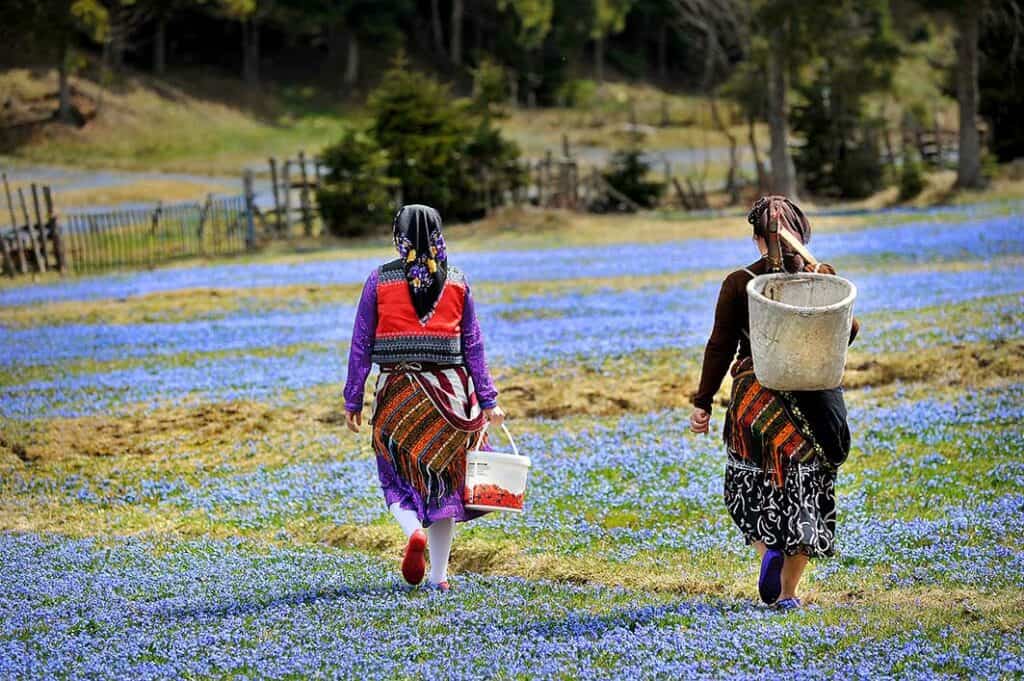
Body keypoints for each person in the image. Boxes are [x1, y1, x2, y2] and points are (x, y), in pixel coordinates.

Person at [689, 195, 859, 610]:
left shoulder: (740, 282)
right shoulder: (821, 280)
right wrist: (824, 281)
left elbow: (719, 347)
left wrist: (703, 402)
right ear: (802, 235)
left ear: (756, 239)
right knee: (805, 487)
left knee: (750, 482)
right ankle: (788, 594)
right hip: (812, 404)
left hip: (754, 400)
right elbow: (847, 333)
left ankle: (767, 550)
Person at [343, 204, 504, 592]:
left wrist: (353, 399)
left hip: (399, 393)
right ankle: (439, 577)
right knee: (445, 485)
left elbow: (361, 343)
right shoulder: (459, 281)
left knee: (395, 474)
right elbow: (473, 346)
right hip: (452, 397)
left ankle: (413, 531)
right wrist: (488, 399)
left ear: (398, 236)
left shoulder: (379, 281)